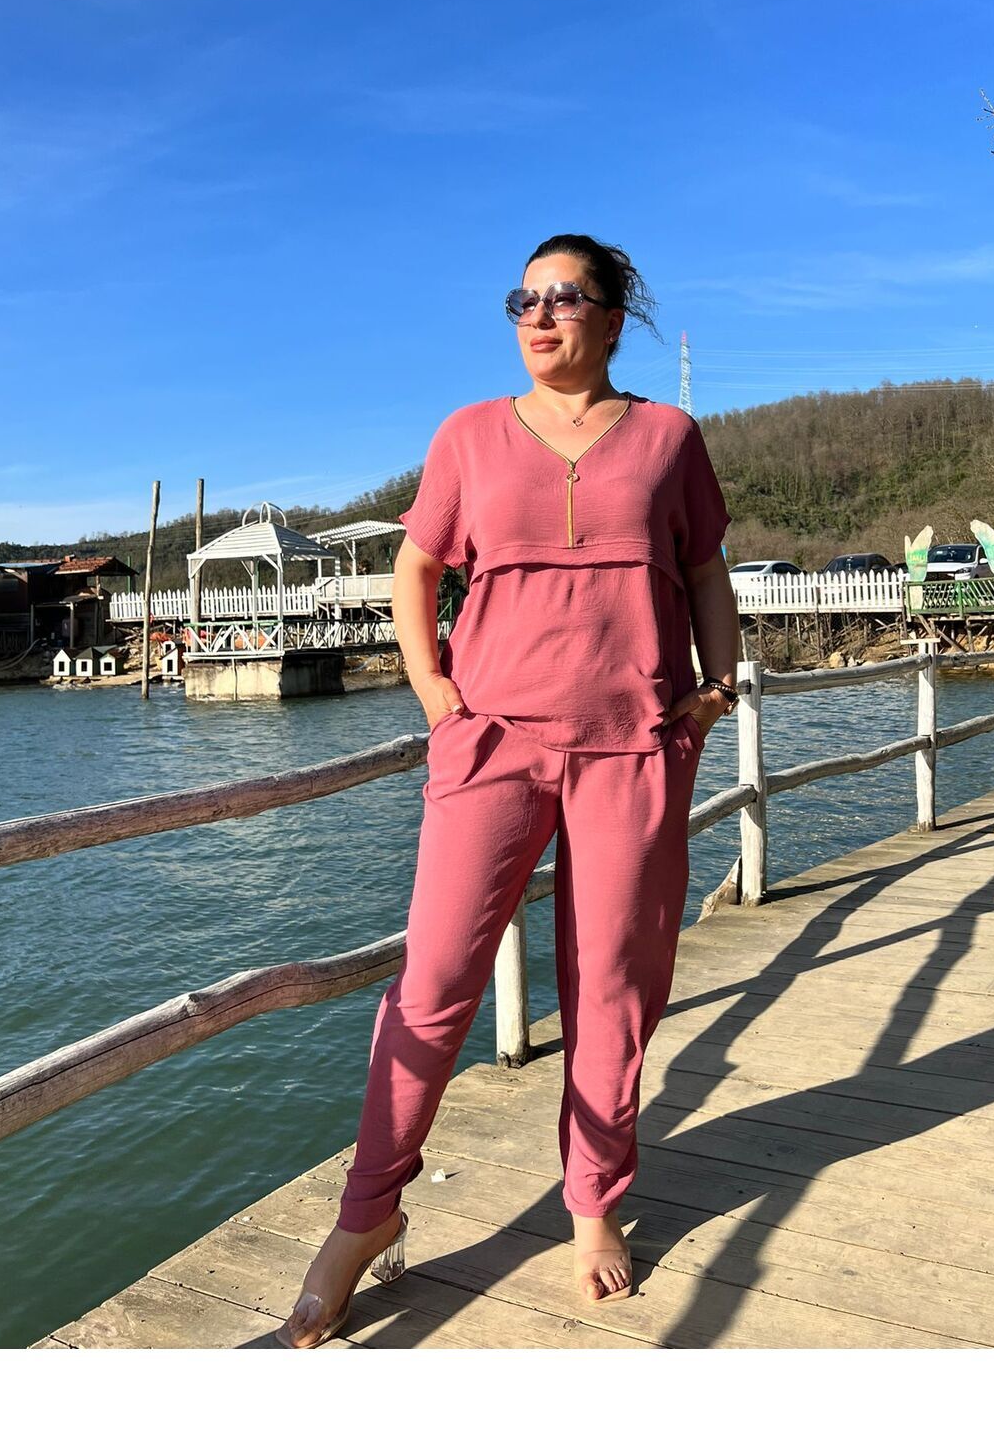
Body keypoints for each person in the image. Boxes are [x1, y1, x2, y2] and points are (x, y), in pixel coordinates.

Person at [276, 233, 740, 1348]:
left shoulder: (669, 438)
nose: (538, 315)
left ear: (614, 320)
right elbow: (419, 565)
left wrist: (717, 688)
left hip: (634, 745)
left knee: (612, 986)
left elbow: (704, 570)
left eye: (564, 298)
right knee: (435, 979)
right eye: (522, 300)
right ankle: (367, 1213)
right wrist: (434, 690)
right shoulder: (469, 434)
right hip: (491, 744)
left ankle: (594, 1200)